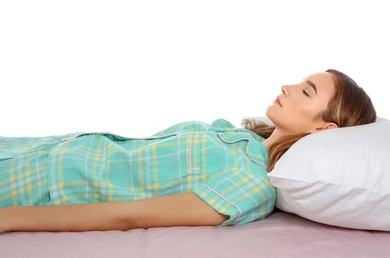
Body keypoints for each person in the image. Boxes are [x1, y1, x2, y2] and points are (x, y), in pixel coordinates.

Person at [0, 69, 376, 233]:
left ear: (323, 128)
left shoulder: (253, 184)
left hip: (39, 184)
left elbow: (129, 216)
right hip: (33, 149)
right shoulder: (235, 136)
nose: (288, 86)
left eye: (307, 90)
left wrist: (10, 218)